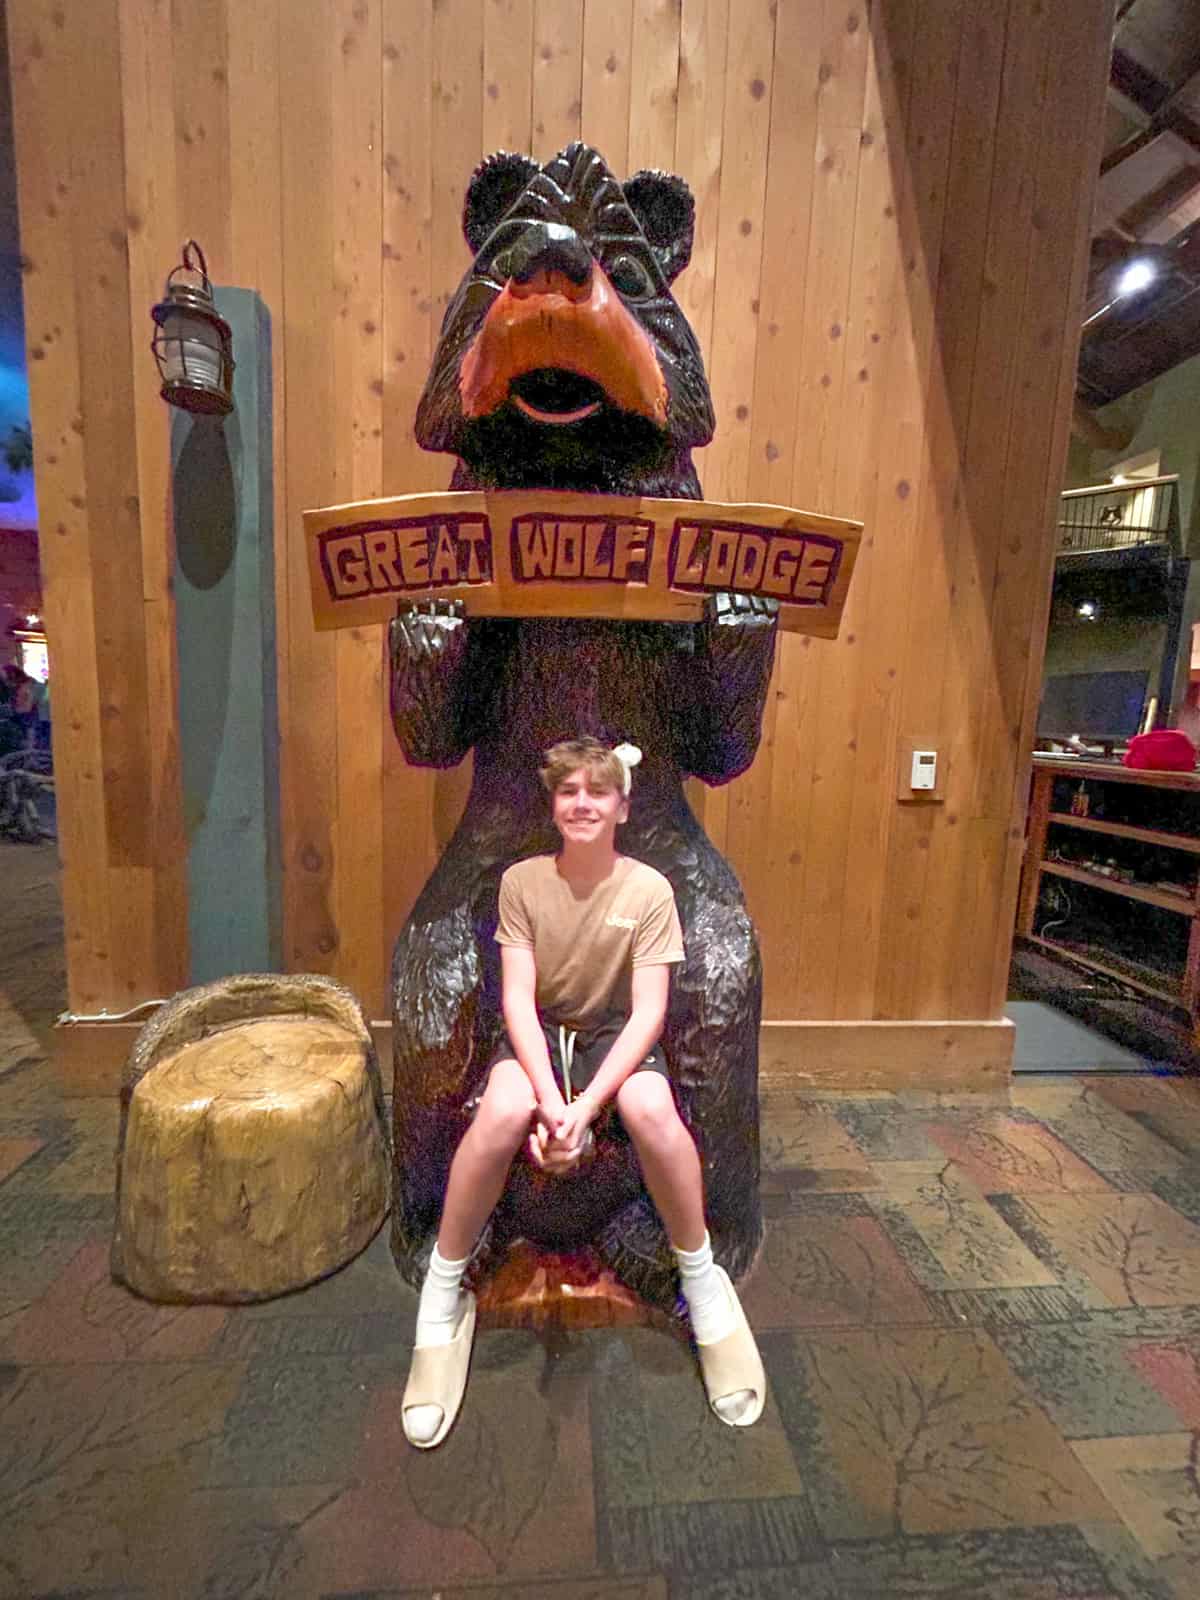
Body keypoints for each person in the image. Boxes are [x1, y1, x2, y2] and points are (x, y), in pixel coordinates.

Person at [402, 735, 766, 1449]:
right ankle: (443, 1289)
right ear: (553, 804)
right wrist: (545, 1097)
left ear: (622, 805)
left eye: (596, 792)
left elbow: (650, 1013)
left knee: (651, 1108)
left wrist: (583, 1108)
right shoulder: (522, 883)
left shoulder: (649, 890)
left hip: (613, 1039)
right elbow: (516, 1003)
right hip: (543, 1038)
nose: (582, 804)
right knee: (503, 1109)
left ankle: (701, 1277)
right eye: (568, 792)